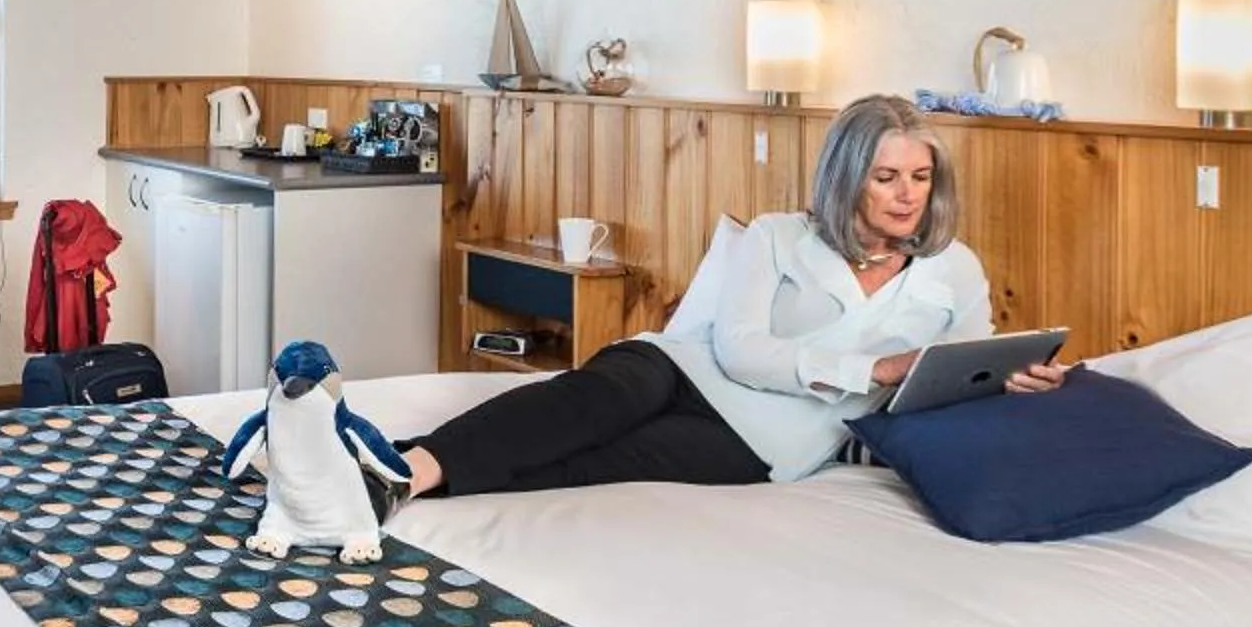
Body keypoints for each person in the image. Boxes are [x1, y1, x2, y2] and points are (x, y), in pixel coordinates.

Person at [403, 92, 1065, 497]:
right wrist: (875, 370)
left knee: (591, 464)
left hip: (772, 438)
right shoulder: (779, 235)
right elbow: (742, 350)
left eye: (920, 177)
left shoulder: (955, 269)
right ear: (846, 178)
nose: (907, 194)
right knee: (587, 401)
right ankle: (407, 466)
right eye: (886, 176)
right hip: (682, 367)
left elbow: (955, 375)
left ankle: (404, 480)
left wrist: (1010, 382)